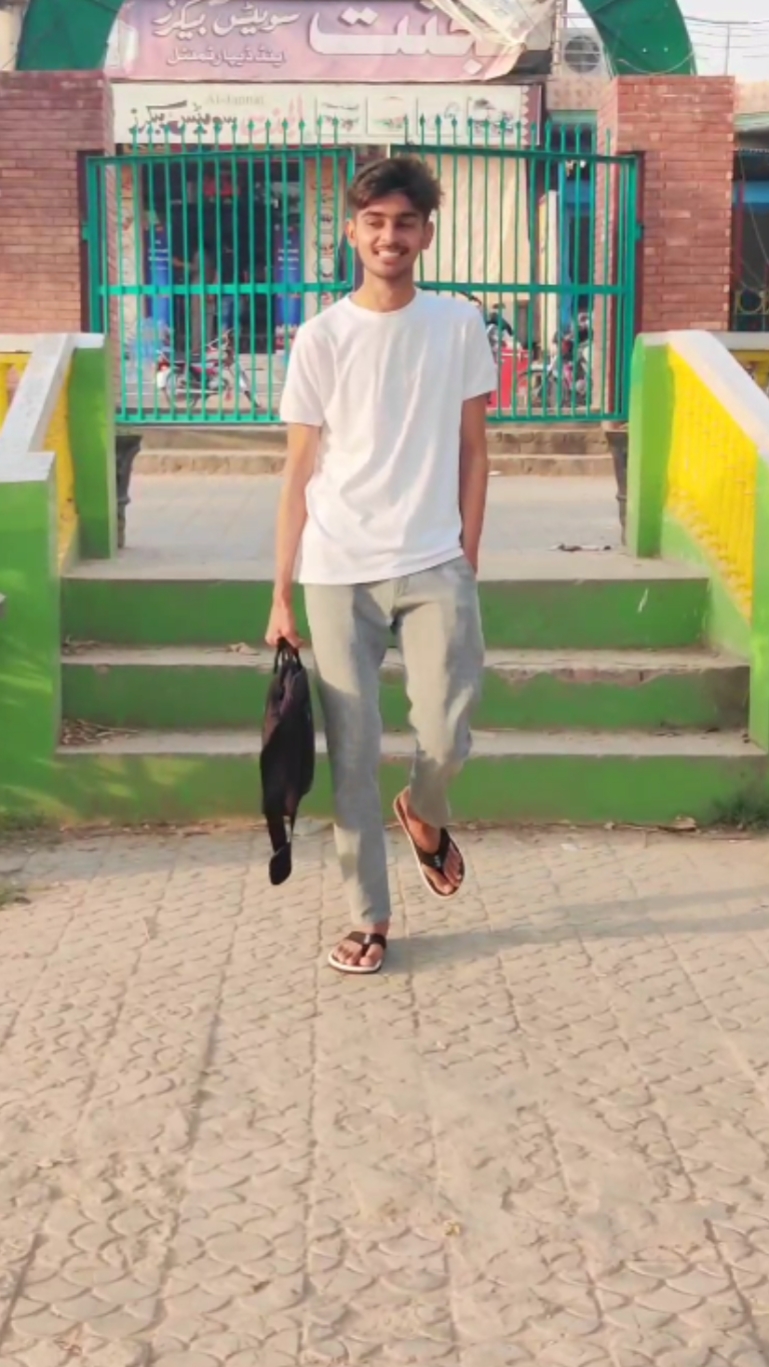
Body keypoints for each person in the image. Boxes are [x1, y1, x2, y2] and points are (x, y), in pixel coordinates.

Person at [265, 155, 496, 976]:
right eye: (374, 222)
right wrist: (281, 592)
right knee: (352, 751)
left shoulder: (457, 324)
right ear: (352, 231)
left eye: (403, 222)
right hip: (336, 567)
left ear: (425, 234)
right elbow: (298, 469)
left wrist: (466, 555)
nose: (388, 236)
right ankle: (368, 916)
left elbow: (474, 450)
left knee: (446, 730)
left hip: (434, 561)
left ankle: (424, 811)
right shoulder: (321, 336)